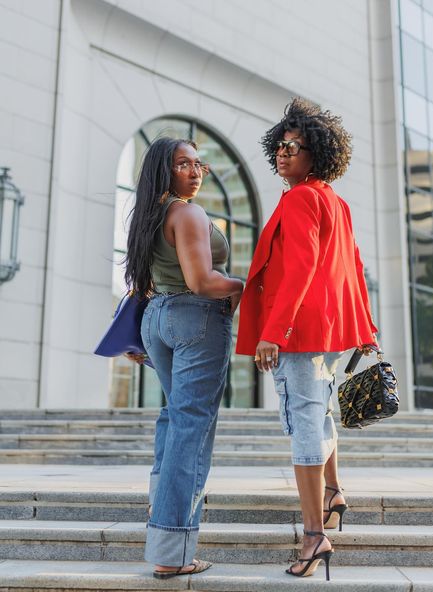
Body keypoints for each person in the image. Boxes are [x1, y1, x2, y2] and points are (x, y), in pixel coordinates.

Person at [236, 98, 378, 579]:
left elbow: (301, 267)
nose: (283, 152)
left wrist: (273, 332)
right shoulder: (334, 201)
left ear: (316, 153)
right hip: (329, 331)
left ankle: (314, 535)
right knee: (317, 412)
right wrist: (365, 328)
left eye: (293, 146)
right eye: (280, 145)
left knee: (303, 424)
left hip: (300, 331)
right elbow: (353, 269)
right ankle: (334, 492)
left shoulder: (301, 199)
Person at [124, 137, 243, 579]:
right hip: (195, 319)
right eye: (182, 164)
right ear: (164, 170)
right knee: (191, 426)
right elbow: (202, 282)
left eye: (198, 164)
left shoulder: (148, 215)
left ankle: (163, 533)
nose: (194, 172)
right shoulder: (187, 213)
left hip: (159, 319)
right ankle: (172, 551)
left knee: (174, 420)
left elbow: (148, 283)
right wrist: (244, 286)